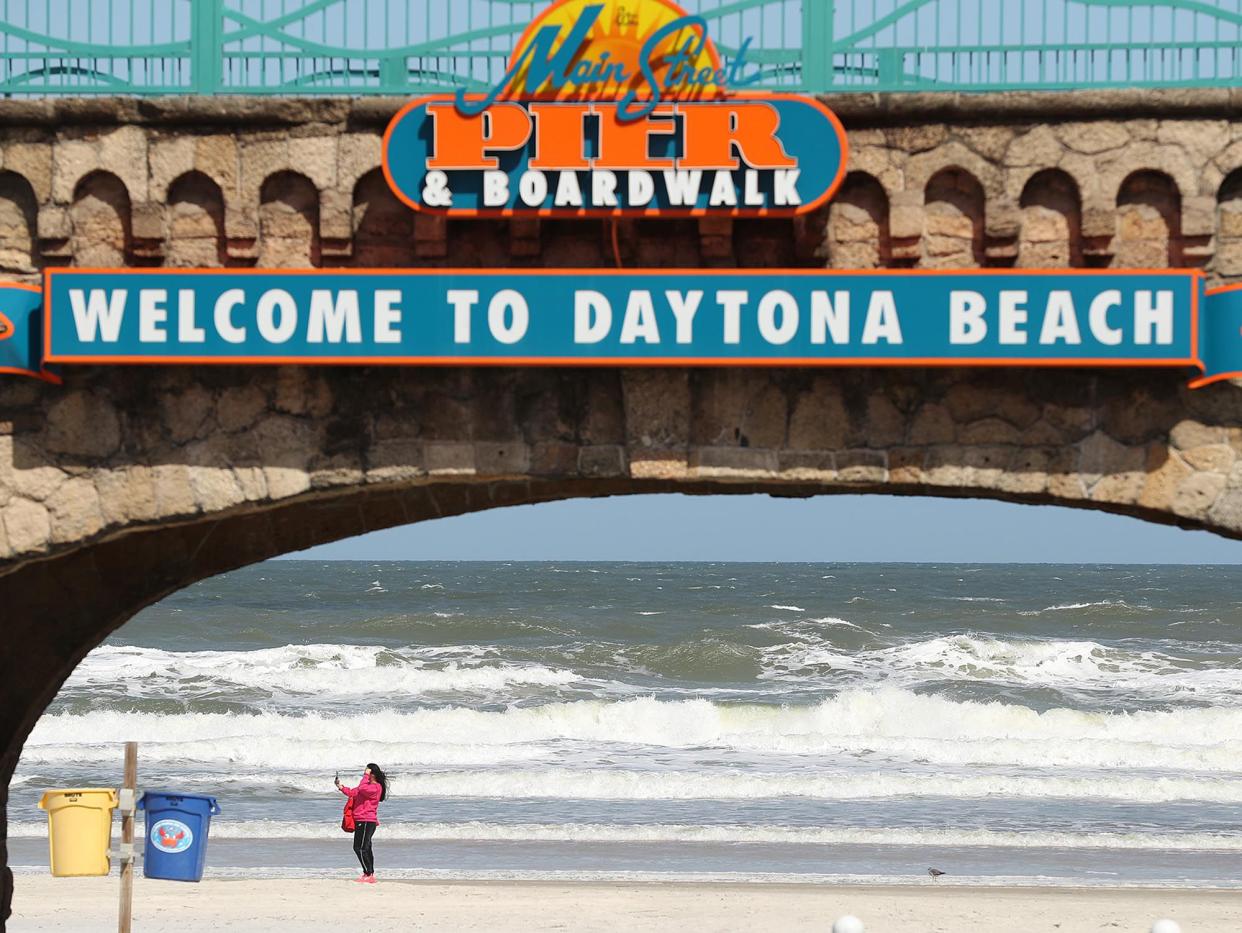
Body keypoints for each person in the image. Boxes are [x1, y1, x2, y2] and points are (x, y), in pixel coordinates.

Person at [335, 763, 388, 883]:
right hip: (361, 820)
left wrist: (365, 775)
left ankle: (368, 873)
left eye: (368, 772)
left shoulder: (375, 787)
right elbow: (353, 792)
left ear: (372, 774)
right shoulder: (366, 787)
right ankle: (369, 873)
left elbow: (362, 788)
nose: (366, 775)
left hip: (367, 821)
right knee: (366, 847)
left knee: (360, 848)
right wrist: (340, 787)